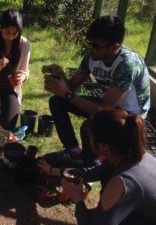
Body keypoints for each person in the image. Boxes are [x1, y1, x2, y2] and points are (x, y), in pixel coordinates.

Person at [38, 109, 156, 225]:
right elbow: (92, 173)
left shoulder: (122, 183)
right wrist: (52, 170)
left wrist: (78, 200)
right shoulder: (135, 154)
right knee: (105, 218)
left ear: (104, 146)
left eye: (90, 136)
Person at [43, 15, 150, 167]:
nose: (90, 48)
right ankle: (73, 150)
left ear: (114, 47)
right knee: (57, 101)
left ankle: (90, 164)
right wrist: (61, 76)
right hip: (111, 104)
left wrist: (67, 94)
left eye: (95, 45)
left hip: (131, 115)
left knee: (89, 126)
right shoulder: (91, 57)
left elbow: (103, 110)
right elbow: (72, 86)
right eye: (89, 43)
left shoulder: (126, 65)